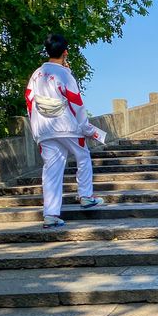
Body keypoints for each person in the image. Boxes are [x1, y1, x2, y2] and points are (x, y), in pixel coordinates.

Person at [25, 33, 105, 229]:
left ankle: (51, 214)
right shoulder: (64, 74)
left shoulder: (36, 75)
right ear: (65, 52)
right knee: (83, 155)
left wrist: (36, 126)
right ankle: (86, 196)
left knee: (51, 170)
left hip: (43, 129)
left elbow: (29, 101)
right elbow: (76, 103)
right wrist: (86, 127)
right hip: (66, 126)